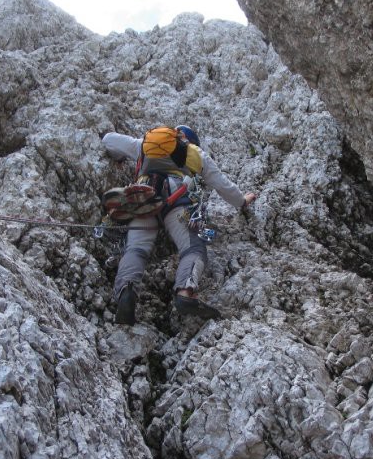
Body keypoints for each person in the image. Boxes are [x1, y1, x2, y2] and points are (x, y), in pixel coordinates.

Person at [102, 125, 257, 324]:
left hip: (144, 199)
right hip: (177, 200)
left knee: (136, 249)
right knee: (192, 248)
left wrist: (118, 156)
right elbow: (222, 185)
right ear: (190, 141)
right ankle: (185, 291)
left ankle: (126, 291)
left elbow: (109, 140)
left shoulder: (146, 145)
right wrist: (242, 201)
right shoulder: (195, 153)